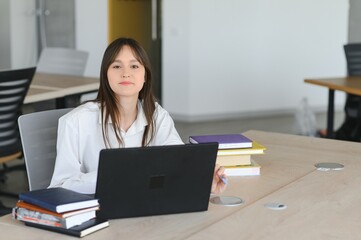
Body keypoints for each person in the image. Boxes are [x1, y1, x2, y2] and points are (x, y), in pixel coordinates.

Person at [49, 37, 226, 195]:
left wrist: (204, 182)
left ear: (145, 76)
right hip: (96, 213)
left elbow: (178, 166)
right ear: (105, 75)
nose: (126, 73)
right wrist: (115, 175)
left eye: (134, 66)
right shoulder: (76, 122)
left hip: (146, 210)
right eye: (117, 66)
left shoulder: (158, 117)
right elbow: (60, 186)